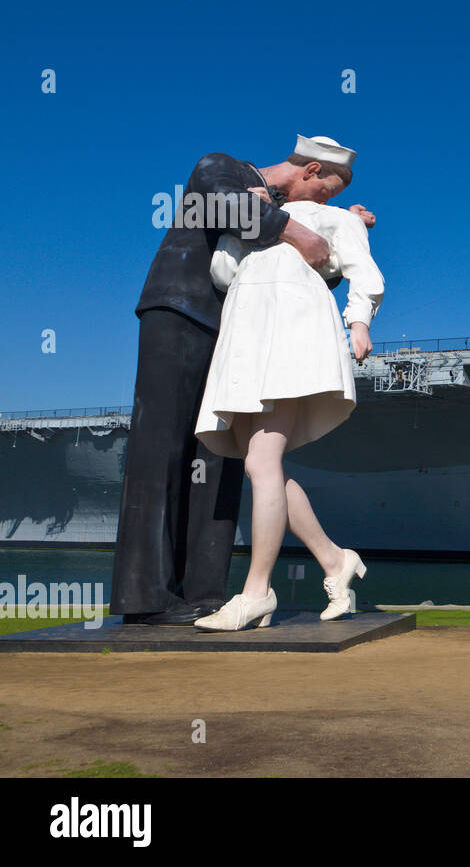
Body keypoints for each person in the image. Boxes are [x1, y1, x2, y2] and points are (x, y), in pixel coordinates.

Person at [112, 135, 374, 626]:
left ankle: (204, 593)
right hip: (181, 313)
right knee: (160, 448)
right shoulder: (223, 168)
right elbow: (225, 207)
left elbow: (313, 267)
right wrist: (303, 227)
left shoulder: (285, 214)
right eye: (325, 195)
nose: (323, 203)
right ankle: (146, 595)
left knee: (224, 459)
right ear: (311, 171)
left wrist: (336, 228)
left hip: (244, 332)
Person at [192, 176, 385, 631]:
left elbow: (364, 270)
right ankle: (334, 559)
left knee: (261, 461)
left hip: (292, 326)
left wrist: (358, 321)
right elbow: (222, 270)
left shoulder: (336, 219)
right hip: (244, 332)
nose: (327, 192)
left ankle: (257, 592)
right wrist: (251, 215)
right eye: (325, 182)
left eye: (333, 187)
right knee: (265, 467)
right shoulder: (260, 222)